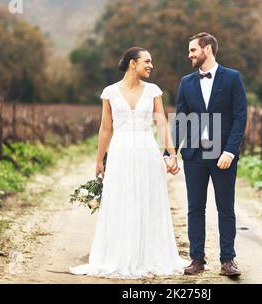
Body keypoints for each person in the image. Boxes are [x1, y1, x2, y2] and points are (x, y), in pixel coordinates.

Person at [70, 47, 186, 279]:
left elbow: (161, 123)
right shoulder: (110, 92)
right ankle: (120, 255)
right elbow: (105, 128)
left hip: (147, 150)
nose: (151, 65)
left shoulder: (153, 91)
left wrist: (172, 154)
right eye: (147, 61)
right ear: (133, 64)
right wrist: (100, 159)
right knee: (122, 200)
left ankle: (149, 255)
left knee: (148, 199)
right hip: (121, 152)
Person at [165, 32, 247, 276]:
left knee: (225, 207)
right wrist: (170, 152)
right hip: (194, 155)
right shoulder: (186, 82)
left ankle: (228, 260)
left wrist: (230, 151)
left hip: (223, 156)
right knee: (195, 207)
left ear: (208, 49)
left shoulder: (232, 78)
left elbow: (240, 117)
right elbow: (180, 119)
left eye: (193, 50)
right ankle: (197, 259)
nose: (189, 55)